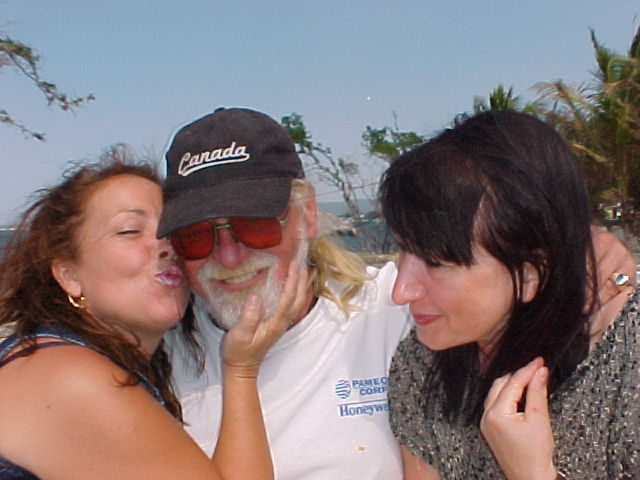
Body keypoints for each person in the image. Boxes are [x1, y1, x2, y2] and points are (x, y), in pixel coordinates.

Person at [159, 107, 636, 480]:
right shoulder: (155, 365)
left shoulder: (388, 314)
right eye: (194, 237)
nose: (228, 256)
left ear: (306, 215)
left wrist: (582, 250)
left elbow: (494, 237)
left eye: (254, 225)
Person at [0, 157, 305, 480]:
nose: (165, 247)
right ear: (69, 275)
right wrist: (241, 370)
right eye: (130, 231)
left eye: (175, 232)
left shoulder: (49, 354)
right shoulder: (68, 377)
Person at [381, 110, 639, 479]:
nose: (400, 291)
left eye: (436, 262)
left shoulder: (626, 370)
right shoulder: (422, 367)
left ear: (531, 273)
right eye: (402, 248)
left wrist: (532, 473)